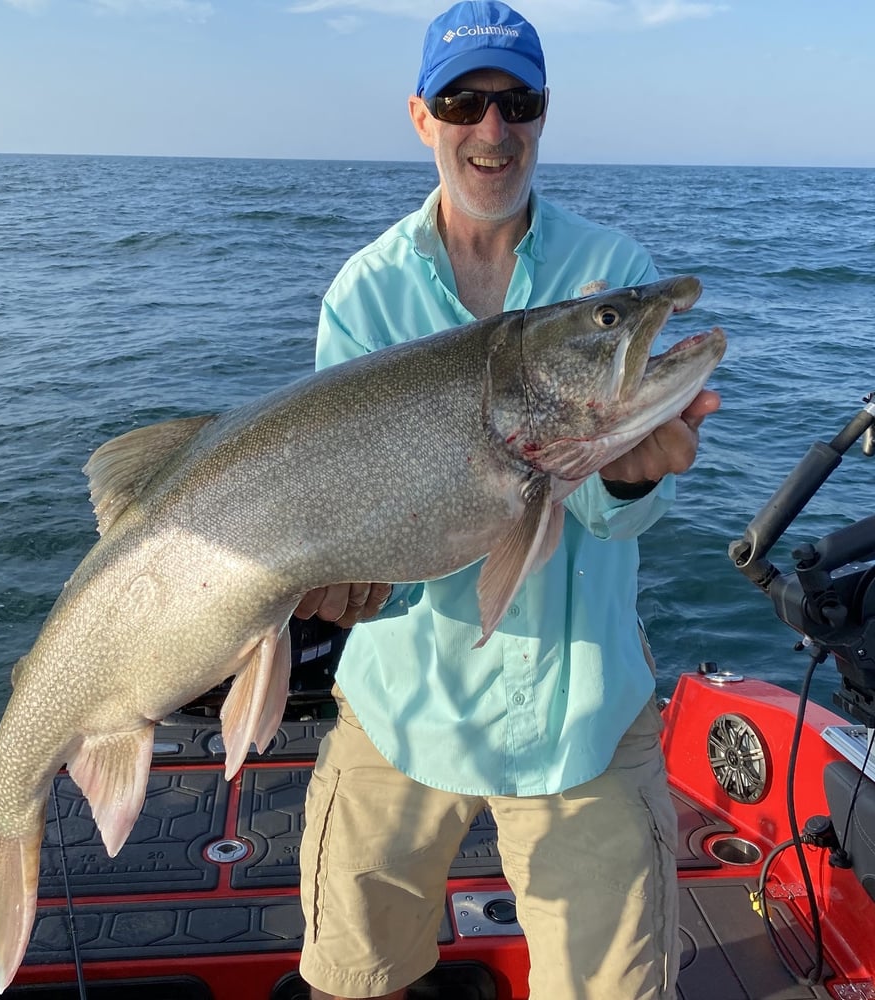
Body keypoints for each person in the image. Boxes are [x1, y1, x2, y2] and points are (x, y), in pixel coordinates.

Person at [293, 3, 721, 998]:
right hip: (405, 706)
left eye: (515, 102)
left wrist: (626, 472)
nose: (491, 130)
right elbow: (368, 542)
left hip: (581, 709)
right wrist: (351, 584)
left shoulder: (610, 271)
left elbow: (624, 513)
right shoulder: (363, 295)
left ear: (541, 116)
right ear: (419, 117)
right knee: (350, 979)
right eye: (463, 102)